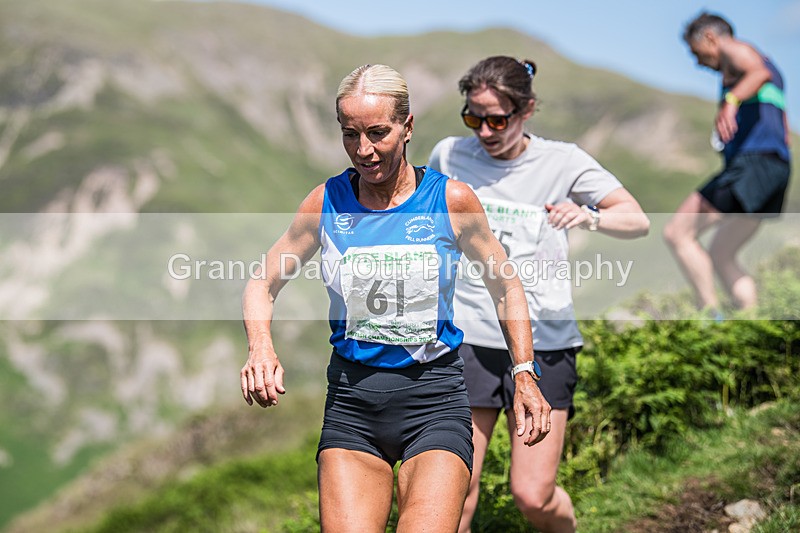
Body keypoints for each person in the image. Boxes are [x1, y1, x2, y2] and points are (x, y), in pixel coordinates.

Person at [240, 63, 551, 532]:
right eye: (350, 134)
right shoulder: (326, 202)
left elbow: (505, 285)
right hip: (353, 404)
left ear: (407, 127)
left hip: (434, 401)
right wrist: (261, 347)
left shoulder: (451, 200)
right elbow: (261, 282)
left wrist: (524, 371)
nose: (363, 150)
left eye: (378, 133)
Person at [428, 55, 649, 533]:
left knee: (533, 495)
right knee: (455, 492)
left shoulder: (563, 162)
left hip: (545, 340)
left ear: (526, 110)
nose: (484, 131)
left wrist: (588, 216)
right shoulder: (449, 155)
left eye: (497, 120)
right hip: (467, 337)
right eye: (473, 118)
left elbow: (636, 219)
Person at [663, 12, 791, 314]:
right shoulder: (764, 66)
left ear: (710, 38)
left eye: (696, 53)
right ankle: (750, 321)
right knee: (722, 253)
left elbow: (758, 73)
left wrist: (730, 103)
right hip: (775, 169)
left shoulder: (737, 51)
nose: (697, 62)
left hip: (753, 164)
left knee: (678, 232)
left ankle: (710, 319)